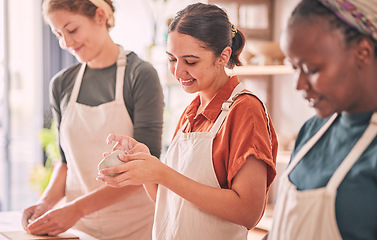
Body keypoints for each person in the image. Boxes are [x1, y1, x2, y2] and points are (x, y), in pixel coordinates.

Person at [97, 3, 278, 240]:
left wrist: (163, 173)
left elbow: (248, 212)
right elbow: (170, 201)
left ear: (223, 56)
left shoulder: (245, 110)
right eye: (172, 59)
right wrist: (146, 163)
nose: (178, 71)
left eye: (190, 61)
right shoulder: (190, 113)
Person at [22, 0, 164, 239]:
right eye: (58, 34)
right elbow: (65, 163)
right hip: (79, 229)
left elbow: (145, 169)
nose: (66, 43)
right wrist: (45, 203)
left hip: (134, 229)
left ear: (100, 17)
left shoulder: (139, 76)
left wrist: (76, 208)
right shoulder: (61, 84)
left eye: (72, 30)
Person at [268, 0, 377, 239]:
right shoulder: (312, 132)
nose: (299, 85)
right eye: (294, 67)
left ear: (363, 52)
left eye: (312, 69)